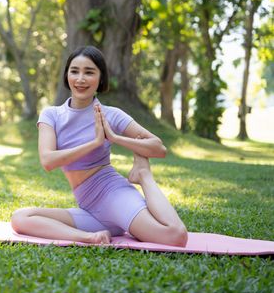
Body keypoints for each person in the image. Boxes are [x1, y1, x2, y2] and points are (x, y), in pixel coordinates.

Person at [11, 46, 188, 247]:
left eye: (89, 72)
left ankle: (143, 176)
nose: (80, 79)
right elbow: (48, 161)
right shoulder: (51, 115)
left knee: (175, 236)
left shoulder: (110, 114)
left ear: (100, 78)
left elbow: (158, 148)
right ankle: (90, 237)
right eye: (74, 71)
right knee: (20, 218)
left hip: (113, 195)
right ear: (67, 75)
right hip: (89, 209)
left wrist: (114, 137)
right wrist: (94, 143)